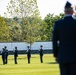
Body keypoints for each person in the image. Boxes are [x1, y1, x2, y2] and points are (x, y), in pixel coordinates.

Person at [52, 1, 76, 75]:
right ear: (73, 11)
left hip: (62, 55)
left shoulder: (58, 24)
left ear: (64, 11)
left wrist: (56, 54)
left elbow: (54, 40)